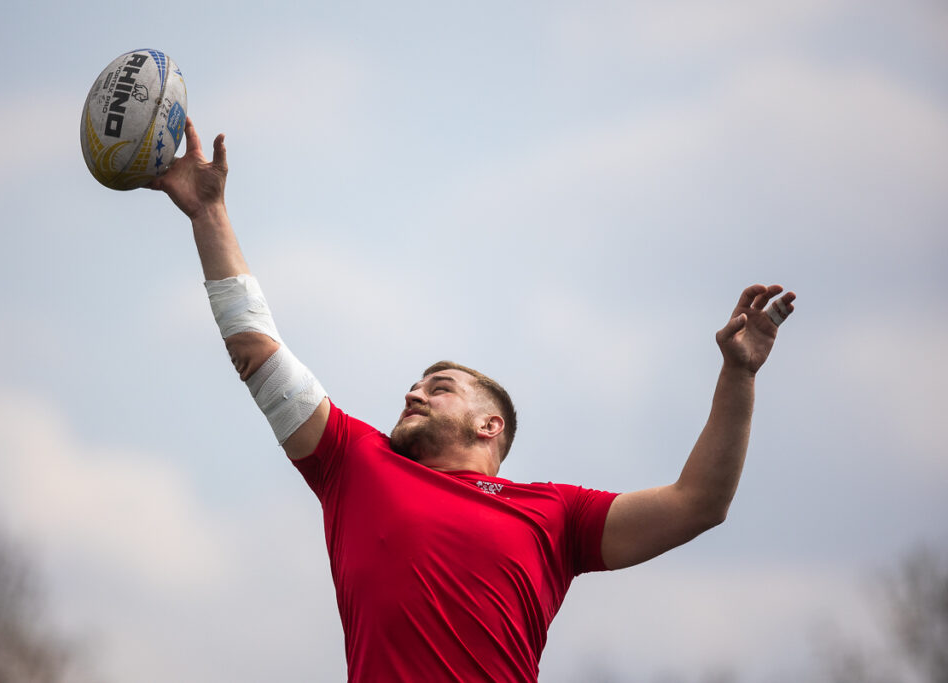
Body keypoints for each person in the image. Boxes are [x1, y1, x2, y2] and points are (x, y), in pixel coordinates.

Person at [151, 119, 796, 682]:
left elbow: (699, 503)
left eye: (439, 386)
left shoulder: (555, 517)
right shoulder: (353, 463)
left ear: (490, 426)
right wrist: (210, 212)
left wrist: (739, 374)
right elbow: (258, 355)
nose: (412, 392)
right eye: (415, 384)